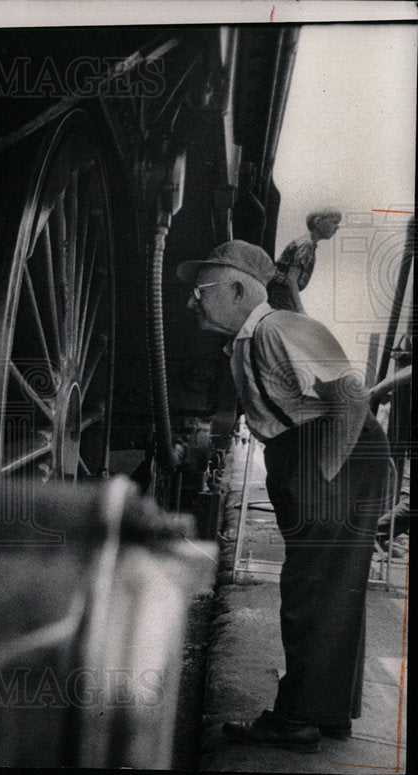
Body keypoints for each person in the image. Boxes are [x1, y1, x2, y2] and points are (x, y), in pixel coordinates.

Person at [178, 240, 390, 752]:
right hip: (314, 451)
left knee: (311, 591)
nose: (191, 302)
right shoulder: (256, 337)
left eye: (200, 291)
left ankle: (297, 720)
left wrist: (322, 475)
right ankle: (327, 712)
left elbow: (349, 396)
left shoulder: (280, 328)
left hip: (333, 453)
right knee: (329, 590)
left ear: (236, 289)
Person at [267, 207, 342, 313]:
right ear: (318, 222)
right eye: (334, 222)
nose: (337, 227)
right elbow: (291, 280)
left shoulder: (307, 243)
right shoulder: (306, 244)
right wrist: (300, 310)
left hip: (280, 294)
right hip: (280, 296)